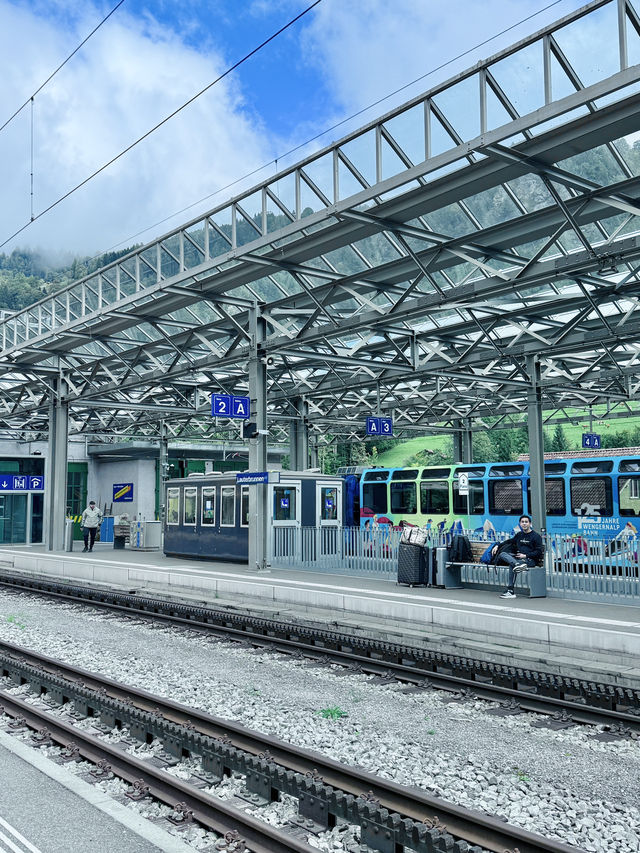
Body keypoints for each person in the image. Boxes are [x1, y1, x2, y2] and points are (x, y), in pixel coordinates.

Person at [492, 514, 543, 600]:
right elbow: (509, 541)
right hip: (518, 559)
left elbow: (538, 552)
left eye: (526, 522)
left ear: (530, 524)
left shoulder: (536, 536)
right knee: (502, 554)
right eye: (522, 522)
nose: (524, 524)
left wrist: (526, 555)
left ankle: (510, 591)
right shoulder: (519, 535)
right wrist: (497, 545)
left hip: (530, 560)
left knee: (512, 565)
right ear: (520, 523)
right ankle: (516, 564)